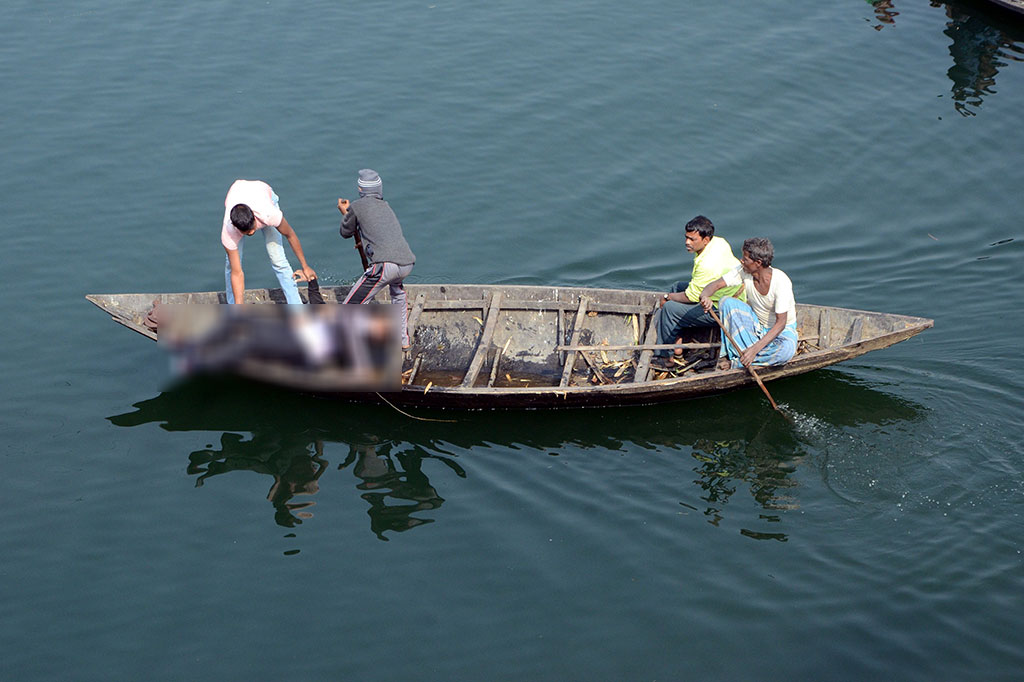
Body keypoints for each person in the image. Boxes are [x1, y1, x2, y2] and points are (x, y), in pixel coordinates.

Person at [338, 169, 416, 348]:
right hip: (406, 263)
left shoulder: (357, 206)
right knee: (398, 295)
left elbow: (345, 232)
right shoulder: (386, 206)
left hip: (384, 267)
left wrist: (346, 212)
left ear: (360, 189)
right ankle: (403, 341)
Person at [653, 215, 743, 364]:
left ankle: (665, 356)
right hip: (724, 293)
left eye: (692, 239)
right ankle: (678, 343)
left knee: (669, 309)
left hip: (720, 308)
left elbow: (691, 297)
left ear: (705, 240)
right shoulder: (719, 242)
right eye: (686, 237)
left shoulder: (707, 265)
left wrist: (667, 297)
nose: (687, 242)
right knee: (677, 287)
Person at [699, 237, 798, 371]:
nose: (742, 261)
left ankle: (738, 362)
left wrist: (754, 349)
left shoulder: (781, 282)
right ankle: (745, 354)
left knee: (785, 352)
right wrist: (705, 296)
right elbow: (715, 285)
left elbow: (781, 323)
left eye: (745, 259)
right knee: (726, 302)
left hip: (782, 332)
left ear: (758, 263)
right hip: (757, 325)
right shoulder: (744, 271)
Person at [221, 179, 316, 305]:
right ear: (236, 227)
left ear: (254, 218)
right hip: (237, 192)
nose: (250, 233)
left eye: (252, 228)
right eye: (246, 232)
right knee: (231, 265)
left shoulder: (269, 214)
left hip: (263, 193)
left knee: (278, 259)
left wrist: (305, 266)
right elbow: (237, 273)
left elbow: (290, 235)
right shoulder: (229, 232)